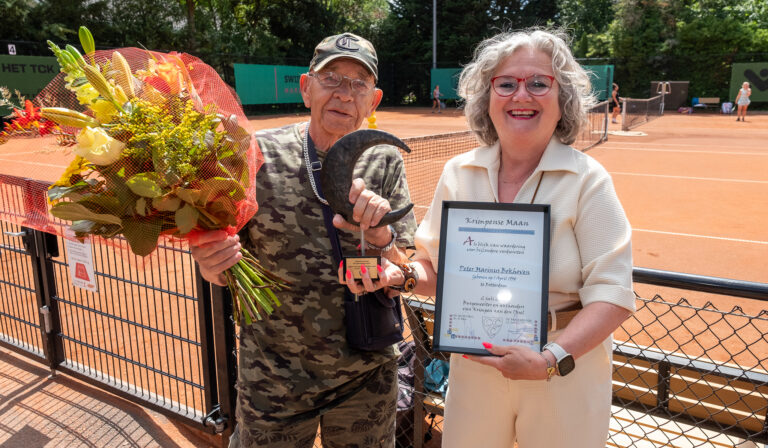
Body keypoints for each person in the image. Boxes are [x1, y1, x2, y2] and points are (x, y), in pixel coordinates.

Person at [362, 28, 636, 447]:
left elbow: (614, 295)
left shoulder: (587, 179)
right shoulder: (459, 173)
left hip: (562, 367)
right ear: (487, 99)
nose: (521, 95)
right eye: (506, 84)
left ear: (561, 100)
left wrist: (549, 360)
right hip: (475, 363)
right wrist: (400, 276)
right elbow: (434, 268)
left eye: (539, 83)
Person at [190, 32, 418, 448]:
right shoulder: (256, 154)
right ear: (305, 87)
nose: (344, 95)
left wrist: (383, 239)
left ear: (374, 100)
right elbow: (224, 264)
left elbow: (405, 266)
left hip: (365, 375)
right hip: (273, 377)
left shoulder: (384, 159)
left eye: (358, 84)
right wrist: (211, 266)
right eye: (331, 78)